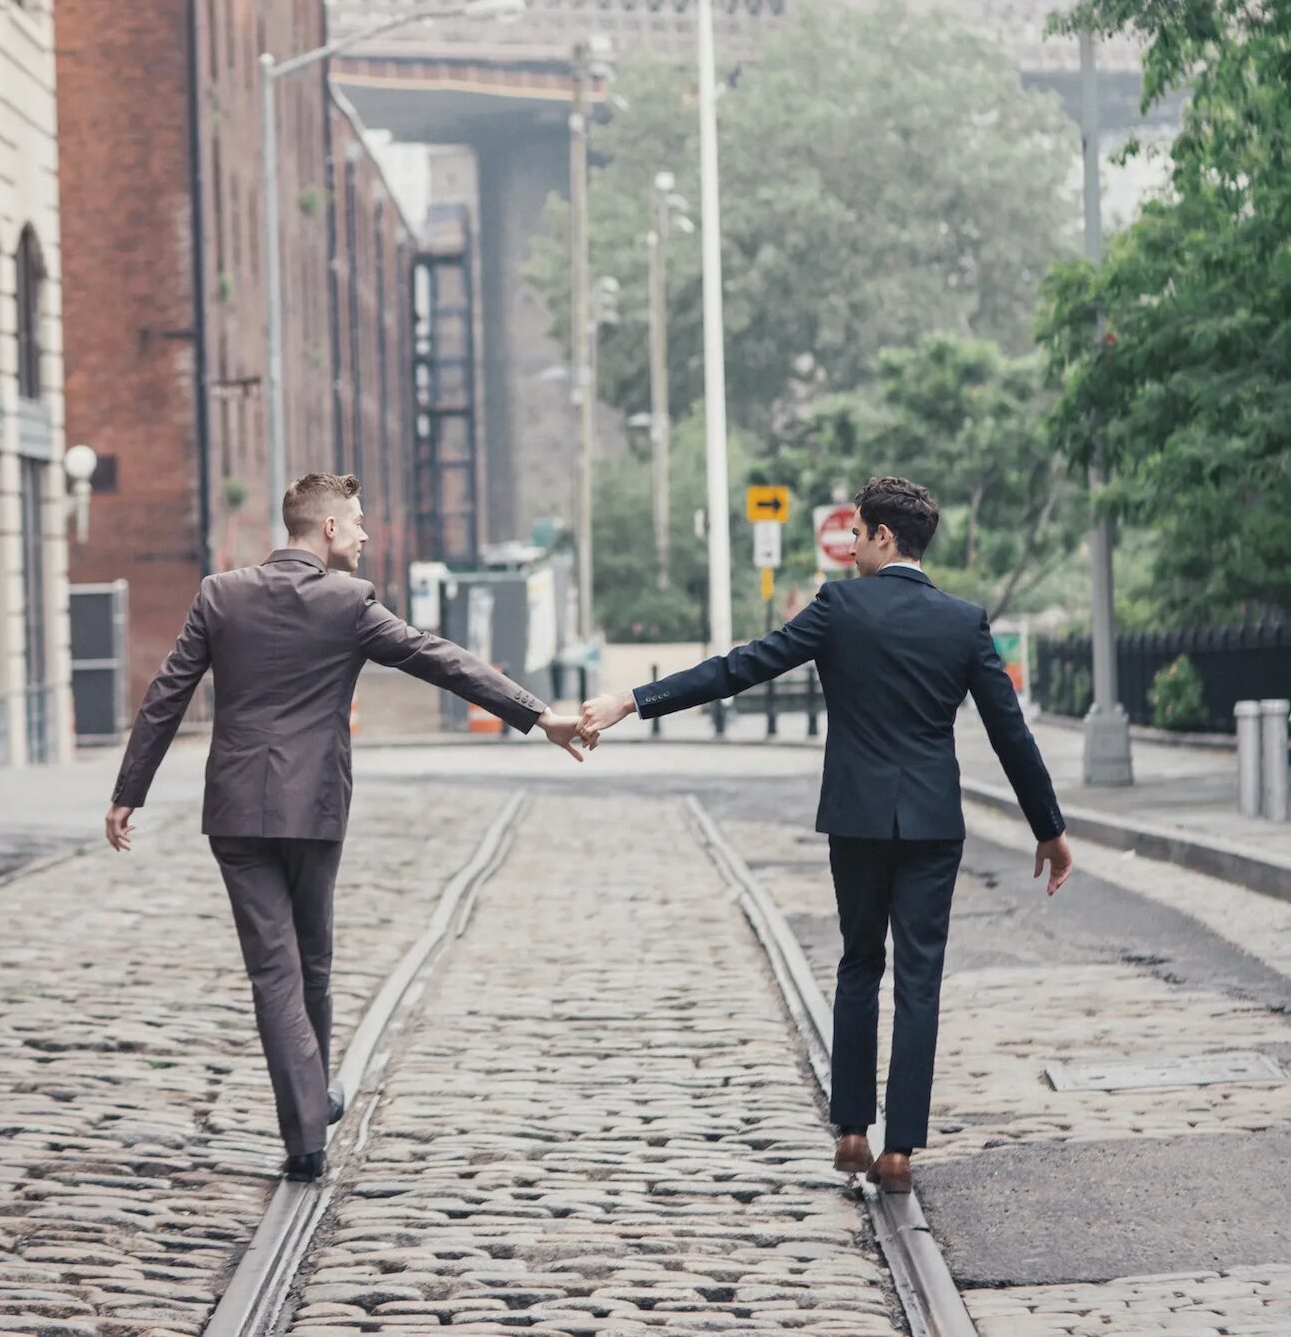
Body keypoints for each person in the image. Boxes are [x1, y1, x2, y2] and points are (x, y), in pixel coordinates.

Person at [580, 474, 1071, 1195]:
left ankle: (850, 1131)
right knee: (919, 979)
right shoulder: (964, 622)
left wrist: (634, 700)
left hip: (858, 818)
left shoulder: (840, 608)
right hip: (933, 824)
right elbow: (1010, 734)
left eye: (857, 533)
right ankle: (900, 1148)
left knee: (857, 965)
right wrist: (1049, 828)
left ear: (882, 536)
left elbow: (739, 668)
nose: (847, 546)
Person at [105, 471, 588, 1179]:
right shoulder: (347, 604)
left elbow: (166, 695)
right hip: (314, 808)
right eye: (357, 521)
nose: (364, 534)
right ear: (326, 528)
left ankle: (307, 1110)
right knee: (312, 963)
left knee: (276, 970)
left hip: (237, 810)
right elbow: (438, 659)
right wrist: (539, 714)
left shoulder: (220, 594)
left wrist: (129, 791)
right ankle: (308, 1118)